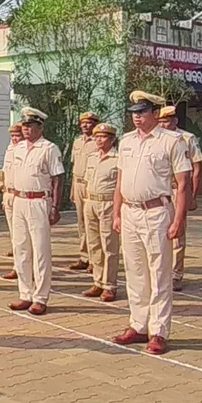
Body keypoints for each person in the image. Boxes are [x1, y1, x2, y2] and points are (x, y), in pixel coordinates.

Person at [111, 91, 190, 355]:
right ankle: (138, 324)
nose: (137, 117)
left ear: (156, 113)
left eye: (142, 112)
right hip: (130, 211)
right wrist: (117, 212)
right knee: (135, 272)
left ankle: (158, 331)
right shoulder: (127, 141)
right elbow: (120, 180)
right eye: (134, 112)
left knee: (159, 273)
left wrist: (178, 219)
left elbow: (183, 184)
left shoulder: (172, 141)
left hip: (157, 211)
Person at [7, 107, 64, 315]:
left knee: (40, 251)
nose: (27, 130)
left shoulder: (49, 148)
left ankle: (40, 297)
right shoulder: (18, 148)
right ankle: (25, 293)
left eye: (31, 126)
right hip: (19, 199)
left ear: (40, 127)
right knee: (21, 248)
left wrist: (56, 207)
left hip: (39, 200)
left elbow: (58, 178)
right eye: (25, 126)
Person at [158, 105, 202, 291]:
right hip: (159, 191)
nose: (163, 124)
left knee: (178, 233)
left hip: (178, 189)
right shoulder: (155, 139)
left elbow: (197, 167)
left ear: (175, 121)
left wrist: (192, 195)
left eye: (167, 121)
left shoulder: (186, 138)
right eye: (160, 121)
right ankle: (161, 272)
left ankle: (176, 274)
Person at [82, 123, 120, 302]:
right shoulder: (91, 157)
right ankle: (97, 281)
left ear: (112, 139)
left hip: (108, 203)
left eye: (103, 137)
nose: (99, 140)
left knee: (109, 246)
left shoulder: (118, 158)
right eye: (96, 137)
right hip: (90, 201)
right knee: (94, 244)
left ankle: (110, 285)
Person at [68, 112, 99, 272]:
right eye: (83, 123)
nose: (86, 125)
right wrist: (73, 188)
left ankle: (95, 260)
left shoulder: (99, 142)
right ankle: (84, 256)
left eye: (89, 123)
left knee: (92, 223)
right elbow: (75, 167)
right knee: (81, 222)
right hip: (78, 183)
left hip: (91, 184)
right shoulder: (78, 141)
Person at [2, 124, 24, 280]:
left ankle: (24, 267)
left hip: (21, 196)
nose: (15, 139)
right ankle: (17, 266)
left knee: (24, 236)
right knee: (14, 235)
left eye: (18, 135)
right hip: (8, 194)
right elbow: (5, 171)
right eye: (13, 136)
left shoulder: (27, 151)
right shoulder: (10, 149)